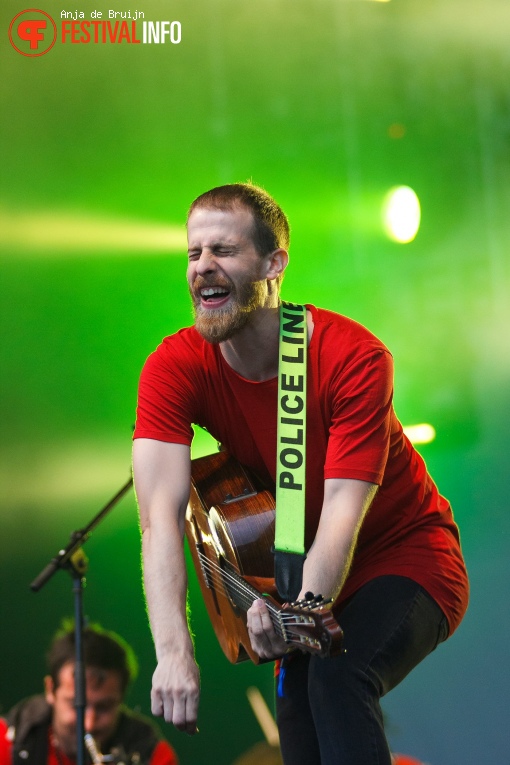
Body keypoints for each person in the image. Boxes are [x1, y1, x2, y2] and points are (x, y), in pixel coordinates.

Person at [132, 183, 469, 765]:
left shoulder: (351, 357)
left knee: (336, 682)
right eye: (193, 253)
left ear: (273, 263)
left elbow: (342, 510)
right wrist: (173, 652)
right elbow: (159, 522)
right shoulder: (174, 366)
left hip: (404, 557)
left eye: (223, 251)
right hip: (297, 573)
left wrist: (300, 613)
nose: (203, 267)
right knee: (298, 724)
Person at [0, 622, 178, 765]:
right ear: (50, 690)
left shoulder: (153, 754)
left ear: (122, 699)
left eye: (104, 707)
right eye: (76, 705)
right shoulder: (7, 739)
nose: (89, 724)